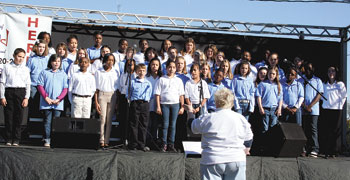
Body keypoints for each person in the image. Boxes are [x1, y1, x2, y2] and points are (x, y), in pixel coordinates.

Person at [191, 88, 253, 180]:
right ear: (232, 103)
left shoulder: (208, 118)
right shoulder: (240, 118)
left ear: (216, 102)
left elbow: (192, 127)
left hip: (212, 159)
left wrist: (190, 113)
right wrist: (246, 149)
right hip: (236, 159)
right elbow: (249, 138)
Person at [0, 48, 31, 146]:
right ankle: (8, 138)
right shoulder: (7, 67)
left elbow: (28, 84)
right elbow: (2, 82)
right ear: (14, 56)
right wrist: (2, 96)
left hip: (21, 92)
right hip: (9, 91)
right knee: (9, 116)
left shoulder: (26, 69)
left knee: (19, 117)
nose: (21, 59)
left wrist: (26, 97)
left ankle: (16, 138)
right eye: (19, 56)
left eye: (23, 57)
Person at [37, 54, 68, 147]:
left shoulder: (63, 74)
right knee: (47, 121)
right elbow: (40, 86)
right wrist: (46, 97)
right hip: (46, 102)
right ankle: (47, 139)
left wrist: (59, 98)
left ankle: (55, 140)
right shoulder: (44, 72)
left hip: (57, 103)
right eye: (55, 61)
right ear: (51, 62)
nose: (56, 63)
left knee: (56, 122)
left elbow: (65, 88)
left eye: (58, 61)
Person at [154, 60, 185, 152]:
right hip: (164, 104)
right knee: (165, 125)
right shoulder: (161, 79)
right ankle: (164, 144)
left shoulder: (178, 80)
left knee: (173, 125)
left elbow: (181, 95)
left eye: (173, 67)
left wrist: (182, 107)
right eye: (170, 67)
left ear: (176, 69)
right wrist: (158, 106)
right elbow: (157, 94)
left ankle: (171, 144)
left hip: (175, 104)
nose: (171, 69)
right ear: (166, 68)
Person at [95, 53, 119, 148]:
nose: (110, 62)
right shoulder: (99, 72)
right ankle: (101, 139)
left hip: (112, 95)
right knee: (102, 119)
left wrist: (117, 102)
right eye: (109, 60)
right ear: (105, 60)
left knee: (109, 120)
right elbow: (96, 88)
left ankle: (107, 140)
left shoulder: (116, 72)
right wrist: (96, 102)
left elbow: (117, 88)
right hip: (102, 94)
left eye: (112, 60)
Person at [322, 66, 347, 158]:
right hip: (327, 109)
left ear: (336, 73)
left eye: (333, 71)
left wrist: (340, 106)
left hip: (337, 109)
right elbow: (321, 96)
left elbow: (344, 96)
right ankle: (327, 150)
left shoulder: (340, 84)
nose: (331, 73)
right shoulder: (324, 84)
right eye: (329, 71)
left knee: (336, 130)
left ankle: (335, 150)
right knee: (327, 130)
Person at [127, 64, 153, 151]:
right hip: (135, 103)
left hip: (145, 104)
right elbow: (129, 94)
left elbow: (150, 95)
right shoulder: (133, 82)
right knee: (134, 124)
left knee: (144, 124)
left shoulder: (148, 83)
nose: (141, 72)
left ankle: (141, 144)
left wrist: (146, 101)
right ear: (136, 72)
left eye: (143, 71)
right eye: (139, 70)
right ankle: (133, 144)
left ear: (146, 72)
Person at [300, 62, 323, 158]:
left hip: (314, 109)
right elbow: (298, 93)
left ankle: (314, 149)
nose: (308, 70)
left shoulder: (317, 80)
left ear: (313, 69)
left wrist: (310, 106)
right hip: (303, 108)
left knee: (313, 129)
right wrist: (304, 106)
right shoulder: (301, 79)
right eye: (306, 68)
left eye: (310, 68)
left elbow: (319, 94)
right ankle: (304, 149)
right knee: (304, 129)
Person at [27, 40, 50, 118]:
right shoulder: (31, 59)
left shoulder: (47, 59)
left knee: (43, 106)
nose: (41, 49)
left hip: (44, 86)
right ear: (36, 47)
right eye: (40, 47)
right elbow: (27, 73)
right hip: (34, 85)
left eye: (43, 47)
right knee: (33, 105)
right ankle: (31, 125)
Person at [256, 67, 283, 133]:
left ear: (276, 75)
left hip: (274, 109)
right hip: (265, 109)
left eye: (273, 74)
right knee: (265, 128)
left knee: (273, 127)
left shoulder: (278, 85)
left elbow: (280, 98)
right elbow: (258, 96)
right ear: (267, 74)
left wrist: (279, 108)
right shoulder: (262, 84)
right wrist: (260, 107)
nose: (271, 75)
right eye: (270, 73)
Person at [117, 58, 136, 145]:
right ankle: (123, 139)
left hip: (133, 99)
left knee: (132, 120)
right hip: (124, 98)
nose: (130, 66)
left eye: (131, 65)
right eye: (128, 64)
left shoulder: (135, 76)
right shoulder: (123, 75)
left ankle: (131, 140)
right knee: (123, 119)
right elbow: (120, 88)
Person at [145, 58, 163, 148]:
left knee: (155, 124)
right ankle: (147, 142)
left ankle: (154, 142)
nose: (154, 66)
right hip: (148, 104)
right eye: (152, 64)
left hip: (158, 104)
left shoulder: (161, 78)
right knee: (148, 123)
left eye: (156, 65)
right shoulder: (146, 77)